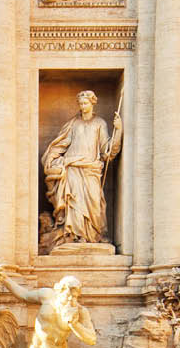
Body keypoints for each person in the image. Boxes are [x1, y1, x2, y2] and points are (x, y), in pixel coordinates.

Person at [41, 89, 122, 245]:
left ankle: (93, 235)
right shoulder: (73, 123)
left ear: (92, 103)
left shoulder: (100, 123)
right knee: (74, 203)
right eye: (81, 103)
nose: (83, 106)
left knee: (94, 204)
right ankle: (74, 237)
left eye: (86, 103)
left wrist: (118, 130)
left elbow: (107, 150)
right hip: (72, 167)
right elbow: (62, 143)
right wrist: (51, 157)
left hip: (91, 169)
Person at [3, 273, 97, 348]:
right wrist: (5, 279)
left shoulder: (80, 311)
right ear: (60, 291)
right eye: (68, 295)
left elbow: (92, 339)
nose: (71, 299)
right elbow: (25, 295)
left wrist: (74, 324)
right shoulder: (47, 295)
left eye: (75, 296)